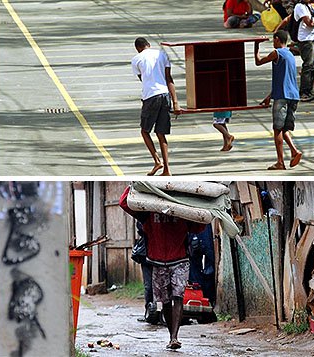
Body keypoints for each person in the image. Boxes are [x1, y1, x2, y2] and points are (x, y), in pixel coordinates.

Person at [121, 208, 205, 350]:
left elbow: (200, 225)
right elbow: (124, 203)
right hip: (157, 261)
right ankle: (171, 335)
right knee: (165, 301)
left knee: (178, 297)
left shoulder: (182, 210)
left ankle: (174, 337)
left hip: (180, 259)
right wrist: (131, 186)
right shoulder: (148, 211)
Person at [131, 37, 180, 176]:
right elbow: (169, 78)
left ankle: (157, 161)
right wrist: (175, 102)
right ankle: (167, 170)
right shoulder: (162, 54)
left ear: (138, 48)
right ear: (149, 45)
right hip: (165, 95)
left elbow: (143, 79)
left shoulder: (136, 59)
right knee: (161, 133)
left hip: (150, 96)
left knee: (145, 131)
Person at [256, 30, 304, 170]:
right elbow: (284, 80)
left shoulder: (277, 53)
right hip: (293, 96)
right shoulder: (290, 54)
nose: (273, 42)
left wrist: (256, 46)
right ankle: (295, 151)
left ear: (277, 39)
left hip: (282, 96)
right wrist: (269, 97)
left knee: (277, 130)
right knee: (284, 128)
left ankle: (280, 162)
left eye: (273, 40)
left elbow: (259, 62)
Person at [294, 0, 314, 102]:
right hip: (305, 40)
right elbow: (309, 23)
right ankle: (304, 92)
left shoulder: (310, 6)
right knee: (308, 64)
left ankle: (309, 91)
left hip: (313, 38)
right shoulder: (300, 7)